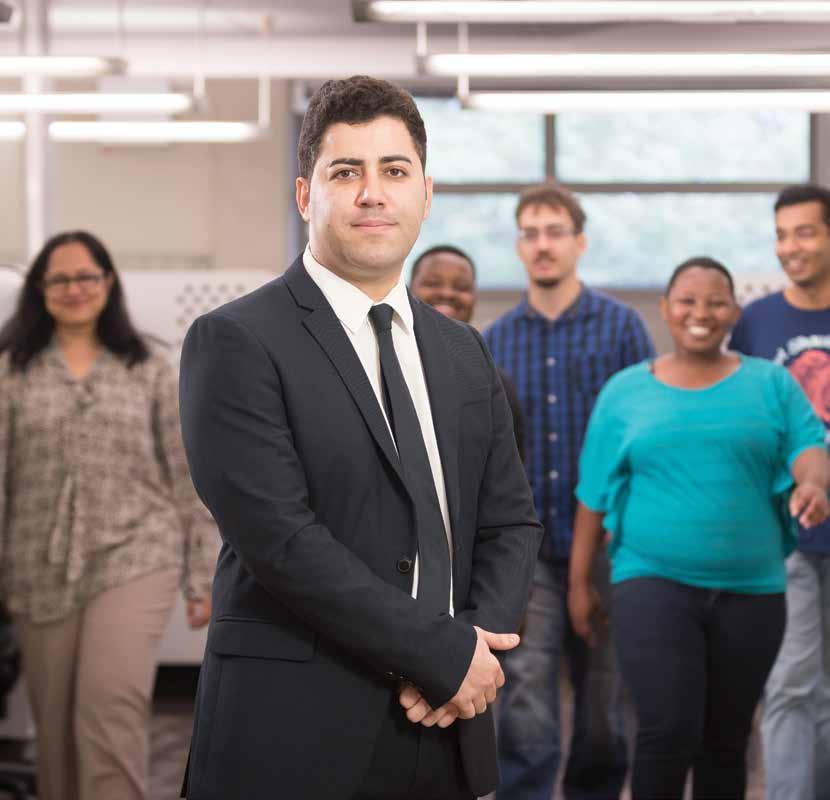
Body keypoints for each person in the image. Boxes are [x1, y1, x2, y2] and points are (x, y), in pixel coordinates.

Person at [178, 75, 542, 800]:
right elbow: (282, 541)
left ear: (425, 195)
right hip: (296, 729)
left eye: (395, 172)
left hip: (446, 722)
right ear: (305, 194)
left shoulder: (463, 350)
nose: (373, 194)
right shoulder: (237, 341)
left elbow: (510, 521)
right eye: (346, 172)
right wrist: (440, 654)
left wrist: (474, 648)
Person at [569, 256, 830, 800]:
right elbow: (592, 496)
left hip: (753, 590)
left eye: (715, 302)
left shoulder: (771, 383)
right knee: (667, 731)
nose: (701, 312)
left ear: (734, 312)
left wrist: (812, 484)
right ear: (666, 309)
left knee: (726, 742)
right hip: (651, 581)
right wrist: (578, 583)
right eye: (687, 301)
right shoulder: (625, 392)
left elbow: (809, 446)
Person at [0, 230, 215, 800]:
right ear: (40, 289)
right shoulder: (11, 371)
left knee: (108, 707)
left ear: (108, 282)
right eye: (59, 279)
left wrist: (201, 576)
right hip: (36, 563)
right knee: (55, 726)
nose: (74, 288)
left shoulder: (147, 367)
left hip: (135, 554)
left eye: (86, 276)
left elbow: (185, 475)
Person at [484, 182, 653, 800]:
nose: (543, 245)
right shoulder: (494, 341)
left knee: (606, 704)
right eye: (530, 233)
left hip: (609, 543)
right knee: (526, 699)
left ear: (579, 243)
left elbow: (646, 433)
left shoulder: (622, 329)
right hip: (525, 552)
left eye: (555, 232)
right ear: (518, 246)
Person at [729, 183, 830, 800]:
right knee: (792, 684)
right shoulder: (757, 322)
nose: (791, 247)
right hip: (786, 537)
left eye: (806, 232)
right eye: (782, 234)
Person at [410, 243, 525, 458]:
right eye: (432, 283)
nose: (447, 293)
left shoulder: (494, 383)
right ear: (407, 290)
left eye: (461, 287)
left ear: (474, 298)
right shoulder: (382, 366)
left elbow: (509, 467)